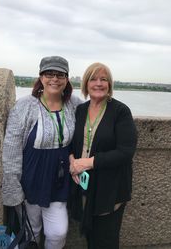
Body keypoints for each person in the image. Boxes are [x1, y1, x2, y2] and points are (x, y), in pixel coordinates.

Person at [2, 56, 81, 249]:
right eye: (49, 74)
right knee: (32, 231)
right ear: (41, 77)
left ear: (67, 78)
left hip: (59, 180)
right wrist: (13, 187)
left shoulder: (74, 104)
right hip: (31, 178)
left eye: (60, 74)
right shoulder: (25, 106)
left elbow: (91, 123)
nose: (54, 79)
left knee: (58, 232)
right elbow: (11, 149)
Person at [69, 62, 137, 249]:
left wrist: (89, 162)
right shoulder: (80, 110)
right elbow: (73, 143)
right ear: (86, 84)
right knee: (90, 237)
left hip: (110, 188)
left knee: (105, 240)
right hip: (86, 186)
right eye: (93, 79)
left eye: (103, 79)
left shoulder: (120, 111)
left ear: (109, 85)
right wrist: (72, 161)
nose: (98, 83)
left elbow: (126, 152)